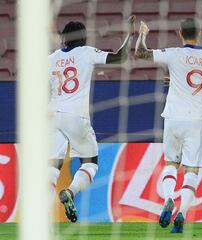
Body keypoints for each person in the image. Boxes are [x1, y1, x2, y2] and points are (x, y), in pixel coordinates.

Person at [135, 19, 202, 233]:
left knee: (170, 163)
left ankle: (168, 198)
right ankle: (182, 214)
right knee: (191, 170)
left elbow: (141, 53)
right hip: (197, 119)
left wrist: (142, 34)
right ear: (200, 33)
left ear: (180, 33)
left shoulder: (174, 54)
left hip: (173, 117)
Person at [48, 15, 136, 222]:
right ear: (83, 37)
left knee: (51, 166)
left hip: (52, 115)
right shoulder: (87, 53)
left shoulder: (50, 58)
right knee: (90, 163)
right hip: (76, 116)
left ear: (64, 38)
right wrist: (130, 34)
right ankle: (70, 191)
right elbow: (120, 57)